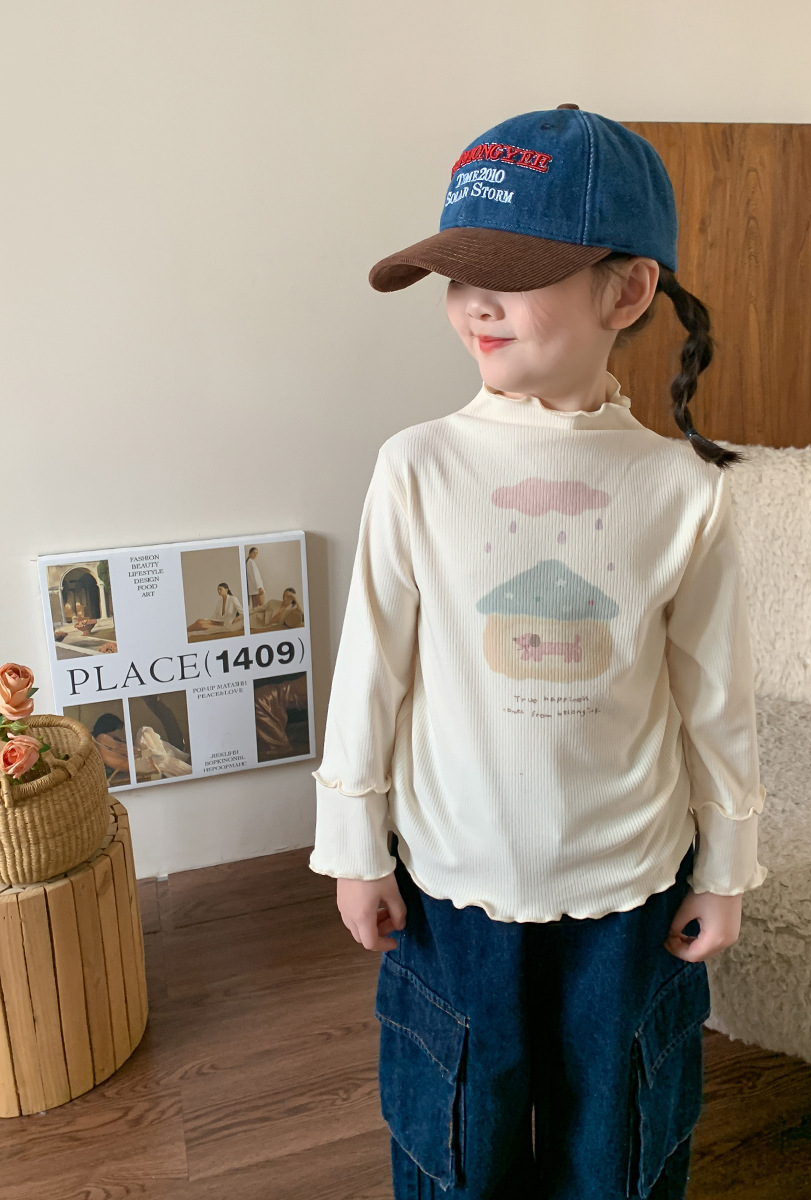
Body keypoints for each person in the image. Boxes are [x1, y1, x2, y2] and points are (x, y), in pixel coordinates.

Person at [309, 106, 768, 1200]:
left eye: (511, 276)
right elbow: (372, 669)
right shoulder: (418, 467)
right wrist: (353, 846)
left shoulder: (682, 490)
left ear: (628, 292)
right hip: (452, 887)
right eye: (458, 276)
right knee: (456, 1150)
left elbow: (715, 696)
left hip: (630, 894)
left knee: (617, 1154)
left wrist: (728, 868)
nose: (474, 304)